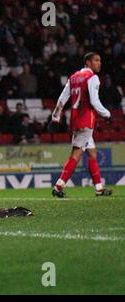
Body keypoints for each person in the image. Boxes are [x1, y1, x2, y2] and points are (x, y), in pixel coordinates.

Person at [50, 52, 112, 198]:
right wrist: (107, 114)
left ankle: (99, 189)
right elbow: (94, 101)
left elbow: (62, 98)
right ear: (88, 63)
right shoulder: (92, 78)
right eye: (96, 60)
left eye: (100, 60)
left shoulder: (73, 77)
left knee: (92, 153)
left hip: (76, 121)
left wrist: (55, 117)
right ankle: (58, 186)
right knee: (76, 154)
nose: (99, 63)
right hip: (86, 121)